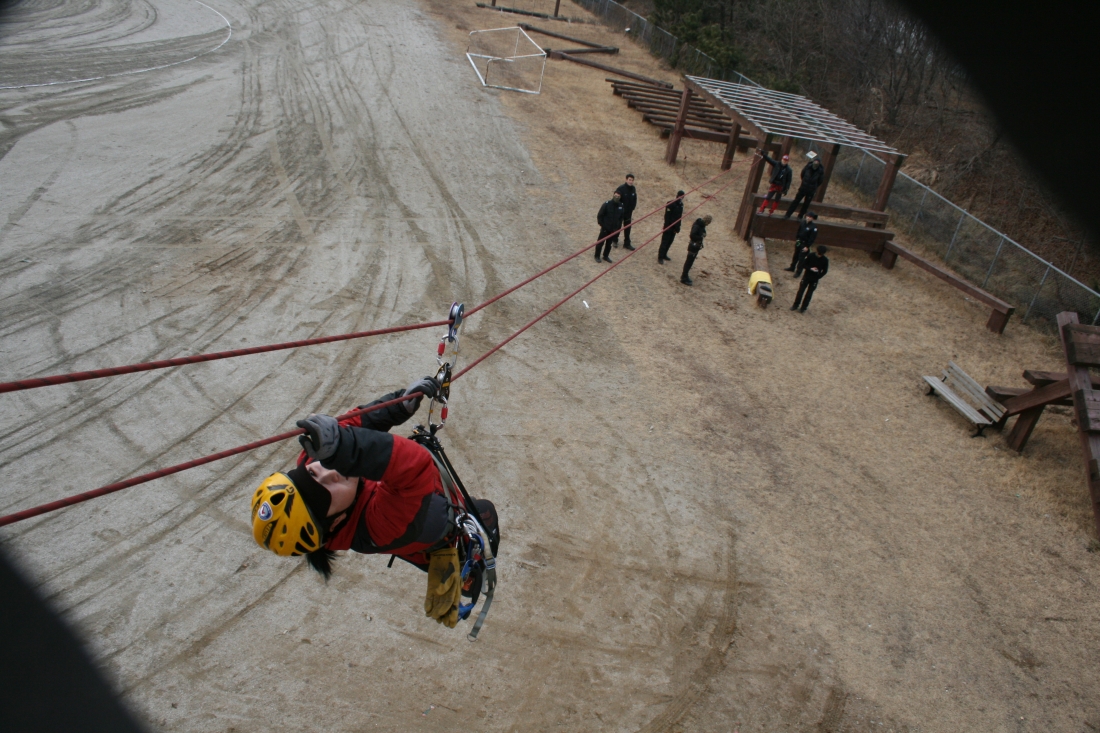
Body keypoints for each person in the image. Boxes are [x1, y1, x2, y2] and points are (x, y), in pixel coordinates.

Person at [250, 377, 500, 629]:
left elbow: (354, 424)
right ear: (336, 522)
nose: (329, 472)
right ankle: (464, 560)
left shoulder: (312, 461)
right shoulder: (377, 527)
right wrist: (343, 449)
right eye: (326, 490)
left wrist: (398, 406)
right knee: (478, 512)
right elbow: (414, 467)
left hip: (411, 511)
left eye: (312, 474)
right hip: (426, 521)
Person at [791, 245, 829, 312]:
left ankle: (803, 308)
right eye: (819, 253)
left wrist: (818, 276)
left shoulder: (825, 260)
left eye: (821, 254)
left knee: (809, 294)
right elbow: (804, 264)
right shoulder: (811, 256)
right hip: (807, 276)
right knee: (800, 291)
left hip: (814, 279)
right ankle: (795, 305)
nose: (819, 255)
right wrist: (810, 268)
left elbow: (825, 271)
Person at [783, 211, 819, 276]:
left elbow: (812, 238)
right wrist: (797, 239)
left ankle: (798, 271)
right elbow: (799, 231)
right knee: (795, 255)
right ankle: (792, 267)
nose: (808, 218)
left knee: (801, 258)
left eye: (810, 217)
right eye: (807, 216)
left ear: (812, 218)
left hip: (805, 244)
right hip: (799, 242)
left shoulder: (813, 227)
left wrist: (807, 246)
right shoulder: (803, 223)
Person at [681, 214, 711, 286]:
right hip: (693, 246)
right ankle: (684, 277)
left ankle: (685, 275)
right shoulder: (697, 226)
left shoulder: (701, 225)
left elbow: (702, 232)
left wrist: (703, 234)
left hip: (696, 246)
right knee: (689, 262)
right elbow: (692, 235)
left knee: (690, 262)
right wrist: (700, 237)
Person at [595, 191, 624, 263]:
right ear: (613, 195)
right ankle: (597, 256)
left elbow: (620, 219)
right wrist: (602, 225)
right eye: (616, 195)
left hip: (613, 229)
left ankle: (605, 256)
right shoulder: (607, 204)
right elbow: (600, 215)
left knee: (609, 244)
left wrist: (617, 228)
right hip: (605, 228)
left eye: (618, 196)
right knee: (600, 242)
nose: (617, 197)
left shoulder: (621, 206)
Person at [658, 190, 685, 263]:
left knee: (670, 242)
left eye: (683, 196)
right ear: (677, 195)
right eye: (681, 196)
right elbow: (667, 216)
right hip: (668, 226)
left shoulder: (681, 205)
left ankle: (664, 254)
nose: (682, 198)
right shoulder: (670, 203)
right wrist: (667, 226)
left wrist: (678, 227)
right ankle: (660, 257)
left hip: (674, 227)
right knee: (665, 242)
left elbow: (679, 217)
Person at [615, 174, 638, 250]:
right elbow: (616, 200)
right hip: (621, 212)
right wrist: (619, 209)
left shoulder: (633, 189)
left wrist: (632, 207)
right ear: (626, 180)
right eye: (629, 180)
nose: (631, 181)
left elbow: (635, 198)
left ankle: (627, 243)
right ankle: (615, 240)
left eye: (632, 180)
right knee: (618, 226)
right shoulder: (621, 188)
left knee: (628, 228)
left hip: (629, 213)